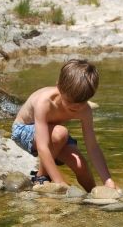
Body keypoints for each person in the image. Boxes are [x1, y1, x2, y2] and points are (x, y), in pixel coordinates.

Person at [11, 59, 117, 192]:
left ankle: (92, 196)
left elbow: (92, 147)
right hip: (24, 131)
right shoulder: (44, 102)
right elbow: (43, 146)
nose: (76, 107)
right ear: (59, 87)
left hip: (54, 136)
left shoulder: (85, 110)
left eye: (82, 103)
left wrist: (108, 180)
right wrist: (59, 182)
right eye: (70, 101)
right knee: (61, 133)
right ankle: (41, 177)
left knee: (80, 165)